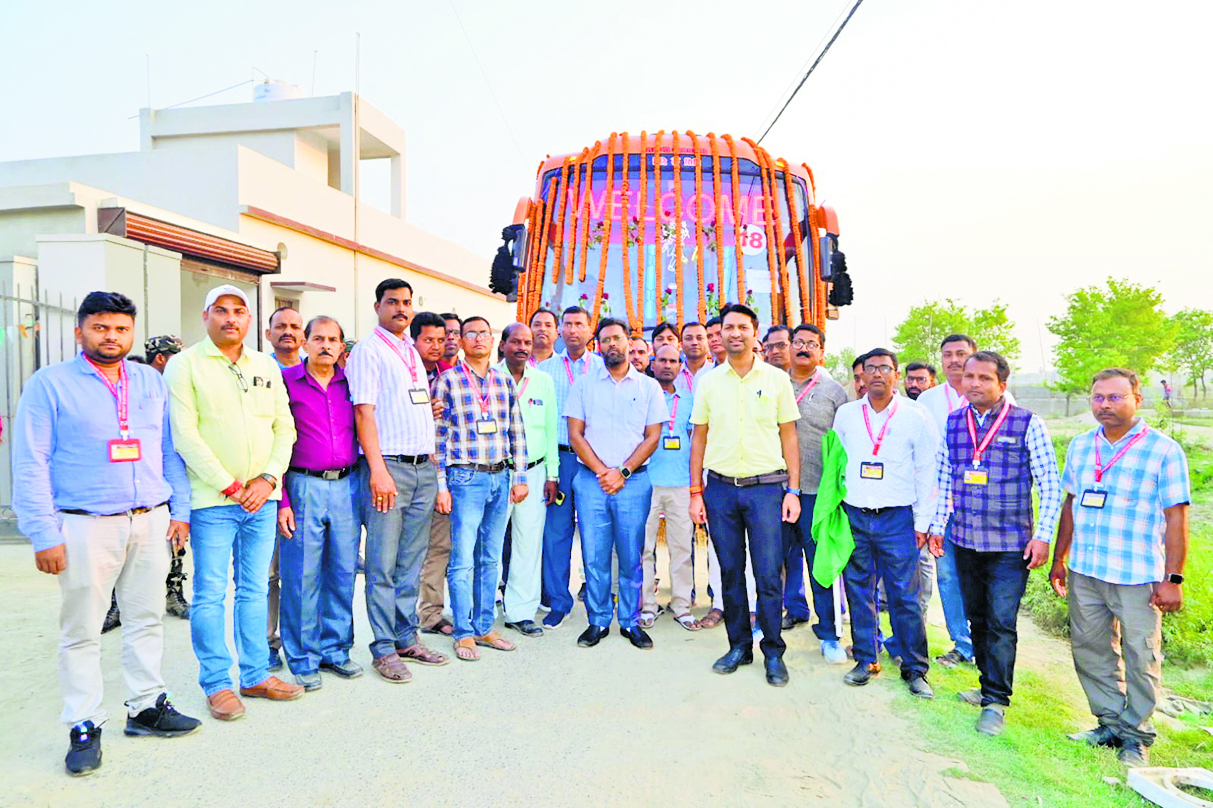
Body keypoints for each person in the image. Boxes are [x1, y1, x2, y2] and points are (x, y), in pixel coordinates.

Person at [12, 291, 199, 776]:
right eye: (100, 327)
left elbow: (168, 450)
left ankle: (146, 706)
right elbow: (31, 461)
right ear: (80, 332)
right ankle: (83, 723)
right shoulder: (49, 384)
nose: (111, 336)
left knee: (146, 618)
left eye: (120, 328)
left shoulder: (149, 381)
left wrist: (179, 510)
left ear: (131, 333)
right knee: (82, 630)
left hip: (150, 518)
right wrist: (42, 533)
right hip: (84, 523)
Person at [165, 284, 303, 720]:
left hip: (262, 499)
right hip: (213, 501)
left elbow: (285, 428)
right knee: (209, 592)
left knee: (254, 589)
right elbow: (185, 435)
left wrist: (267, 479)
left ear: (249, 320)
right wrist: (229, 485)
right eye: (221, 310)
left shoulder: (264, 365)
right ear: (206, 316)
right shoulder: (185, 364)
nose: (231, 318)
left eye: (239, 311)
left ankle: (255, 674)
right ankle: (217, 684)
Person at [1049, 368, 1190, 768]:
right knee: (1090, 650)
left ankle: (1137, 735)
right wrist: (1060, 559)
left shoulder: (1163, 450)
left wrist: (1173, 578)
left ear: (1136, 400)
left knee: (1141, 656)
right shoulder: (1081, 446)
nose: (1105, 405)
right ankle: (1110, 723)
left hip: (1137, 575)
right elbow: (1070, 504)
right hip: (1087, 570)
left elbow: (1176, 517)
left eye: (1114, 397)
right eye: (1098, 397)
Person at [929, 351, 1063, 736]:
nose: (974, 383)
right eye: (969, 376)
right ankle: (986, 684)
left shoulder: (1027, 423)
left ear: (1002, 384)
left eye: (984, 378)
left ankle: (995, 702)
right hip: (964, 539)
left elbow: (1049, 484)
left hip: (1010, 544)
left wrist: (1043, 536)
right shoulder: (955, 422)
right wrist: (938, 525)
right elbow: (945, 477)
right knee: (977, 618)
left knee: (1001, 621)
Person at [690, 303, 800, 687]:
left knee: (768, 574)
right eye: (728, 327)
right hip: (720, 490)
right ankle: (739, 646)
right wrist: (696, 492)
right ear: (719, 334)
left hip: (766, 490)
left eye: (742, 327)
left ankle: (773, 651)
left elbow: (789, 436)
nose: (735, 333)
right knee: (731, 573)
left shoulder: (776, 380)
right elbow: (699, 437)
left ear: (755, 332)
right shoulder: (709, 382)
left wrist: (793, 490)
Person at [345, 279, 447, 683]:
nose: (401, 309)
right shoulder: (368, 351)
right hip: (389, 468)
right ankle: (384, 648)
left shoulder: (409, 350)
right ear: (378, 307)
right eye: (393, 302)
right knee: (383, 565)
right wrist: (378, 470)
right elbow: (364, 412)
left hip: (422, 469)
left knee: (411, 562)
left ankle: (407, 637)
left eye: (406, 302)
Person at [832, 348, 937, 698]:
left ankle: (915, 668)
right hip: (855, 515)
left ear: (896, 374)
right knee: (859, 591)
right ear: (861, 375)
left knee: (905, 595)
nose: (877, 374)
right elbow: (837, 464)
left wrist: (923, 521)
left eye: (885, 368)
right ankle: (866, 659)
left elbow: (926, 469)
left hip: (898, 519)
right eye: (871, 368)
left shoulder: (915, 415)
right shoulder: (847, 415)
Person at [566, 318, 667, 650]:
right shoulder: (584, 385)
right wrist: (602, 472)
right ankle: (597, 620)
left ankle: (630, 621)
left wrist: (622, 472)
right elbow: (575, 434)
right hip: (591, 481)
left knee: (631, 554)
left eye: (617, 338)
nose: (612, 344)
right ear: (598, 345)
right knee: (594, 556)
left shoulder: (648, 387)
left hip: (633, 483)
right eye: (606, 339)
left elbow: (652, 437)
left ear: (629, 342)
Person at [275, 316, 363, 691]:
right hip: (303, 485)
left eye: (332, 339)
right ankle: (302, 657)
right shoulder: (286, 382)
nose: (326, 345)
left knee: (343, 571)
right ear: (305, 343)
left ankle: (336, 650)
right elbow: (274, 438)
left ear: (341, 346)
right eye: (318, 338)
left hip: (347, 485)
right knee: (302, 575)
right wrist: (282, 499)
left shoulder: (352, 384)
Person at [433, 316, 529, 660]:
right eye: (470, 333)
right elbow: (438, 436)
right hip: (465, 479)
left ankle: (484, 626)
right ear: (460, 341)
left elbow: (516, 430)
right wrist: (441, 485)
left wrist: (520, 476)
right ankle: (463, 632)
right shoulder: (447, 381)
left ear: (493, 340)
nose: (478, 339)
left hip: (500, 477)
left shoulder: (503, 381)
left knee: (490, 558)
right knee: (462, 560)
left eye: (484, 333)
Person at [101, 334, 191, 635]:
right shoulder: (132, 385)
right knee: (123, 550)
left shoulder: (177, 386)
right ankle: (117, 603)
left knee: (174, 543)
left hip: (169, 477)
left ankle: (173, 592)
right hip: (135, 482)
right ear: (161, 357)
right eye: (175, 355)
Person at [781, 324, 850, 662]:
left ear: (822, 351)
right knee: (775, 560)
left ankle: (829, 632)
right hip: (774, 488)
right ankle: (777, 618)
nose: (804, 348)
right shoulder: (774, 383)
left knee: (819, 563)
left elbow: (844, 444)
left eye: (812, 343)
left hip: (817, 493)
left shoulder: (834, 392)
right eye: (798, 342)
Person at [915, 334, 981, 668]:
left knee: (980, 578)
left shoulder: (992, 395)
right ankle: (963, 644)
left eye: (961, 354)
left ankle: (985, 642)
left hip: (980, 506)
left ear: (974, 356)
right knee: (948, 576)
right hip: (941, 505)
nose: (954, 360)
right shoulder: (927, 400)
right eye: (947, 354)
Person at [537, 305, 604, 629]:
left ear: (590, 330)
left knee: (596, 532)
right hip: (560, 459)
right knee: (556, 532)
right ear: (560, 330)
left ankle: (597, 601)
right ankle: (558, 601)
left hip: (595, 460)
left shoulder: (603, 368)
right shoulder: (545, 370)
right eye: (568, 324)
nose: (573, 330)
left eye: (579, 324)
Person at [496, 324, 558, 637]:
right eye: (516, 341)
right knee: (489, 544)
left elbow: (551, 429)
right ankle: (479, 610)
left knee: (528, 543)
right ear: (503, 344)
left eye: (527, 342)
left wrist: (552, 474)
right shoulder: (490, 377)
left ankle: (520, 612)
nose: (522, 347)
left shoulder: (543, 381)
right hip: (497, 471)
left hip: (534, 472)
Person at [642, 344, 699, 631]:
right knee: (644, 548)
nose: (667, 365)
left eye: (673, 361)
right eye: (662, 360)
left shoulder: (689, 399)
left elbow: (694, 439)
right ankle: (647, 606)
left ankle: (681, 606)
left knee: (681, 549)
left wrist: (696, 485)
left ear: (680, 366)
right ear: (652, 364)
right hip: (646, 482)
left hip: (680, 484)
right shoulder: (642, 394)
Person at [411, 312, 457, 637]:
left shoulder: (450, 376)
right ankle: (401, 617)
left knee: (440, 546)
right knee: (408, 549)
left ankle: (430, 613)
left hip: (440, 471)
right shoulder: (404, 372)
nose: (437, 346)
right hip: (405, 469)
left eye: (441, 340)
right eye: (429, 340)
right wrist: (423, 411)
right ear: (414, 340)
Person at [265, 306, 305, 672]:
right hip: (272, 482)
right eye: (281, 326)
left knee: (307, 571)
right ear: (268, 334)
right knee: (269, 573)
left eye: (294, 326)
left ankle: (303, 640)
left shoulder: (317, 371)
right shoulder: (261, 373)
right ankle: (267, 641)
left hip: (312, 482)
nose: (288, 332)